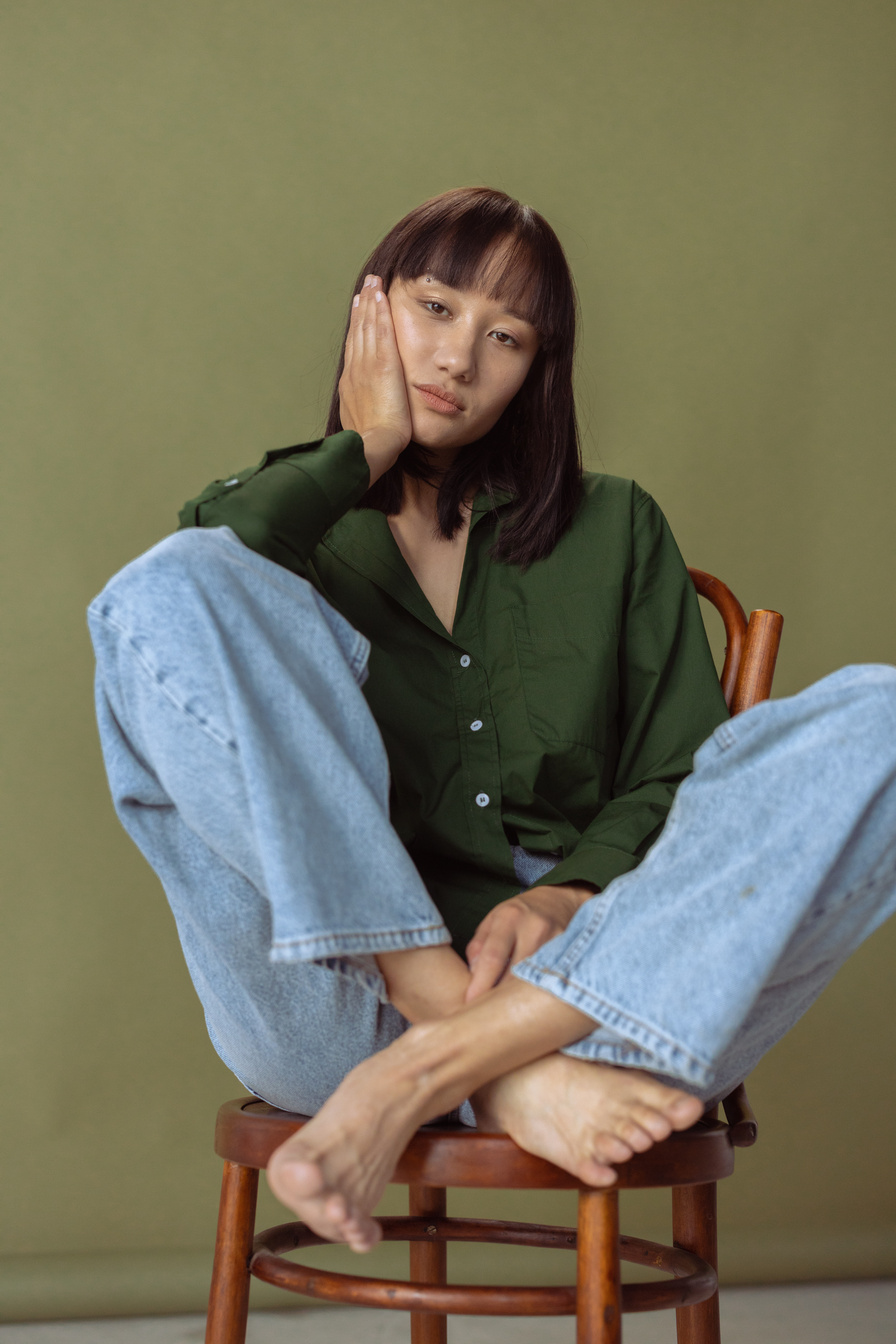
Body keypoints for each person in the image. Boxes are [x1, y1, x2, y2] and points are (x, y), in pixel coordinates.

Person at [88, 187, 896, 1256]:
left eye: (503, 335)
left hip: (608, 999)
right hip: (334, 1005)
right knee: (166, 588)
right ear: (369, 311)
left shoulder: (615, 528)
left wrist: (567, 894)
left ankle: (448, 1064)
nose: (458, 359)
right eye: (432, 309)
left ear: (536, 369)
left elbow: (680, 779)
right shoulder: (292, 537)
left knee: (882, 713)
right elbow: (180, 597)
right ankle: (465, 1038)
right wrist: (365, 444)